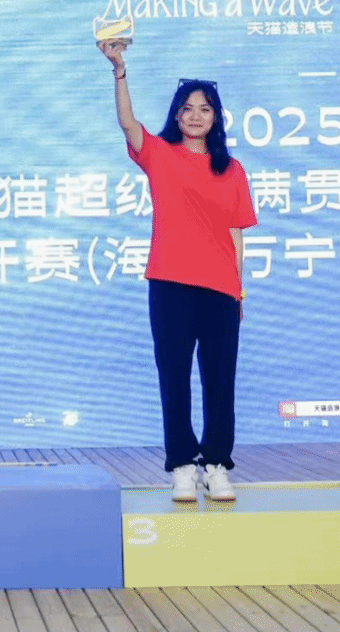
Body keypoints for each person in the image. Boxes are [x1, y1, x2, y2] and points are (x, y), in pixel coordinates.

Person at [100, 39, 256, 503]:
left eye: (205, 109)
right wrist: (119, 70)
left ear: (217, 118)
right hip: (170, 285)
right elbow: (127, 123)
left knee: (220, 381)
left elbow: (236, 234)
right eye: (187, 108)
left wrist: (239, 291)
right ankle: (183, 467)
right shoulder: (160, 154)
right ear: (176, 114)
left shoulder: (231, 170)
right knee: (174, 379)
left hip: (220, 289)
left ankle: (217, 465)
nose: (195, 116)